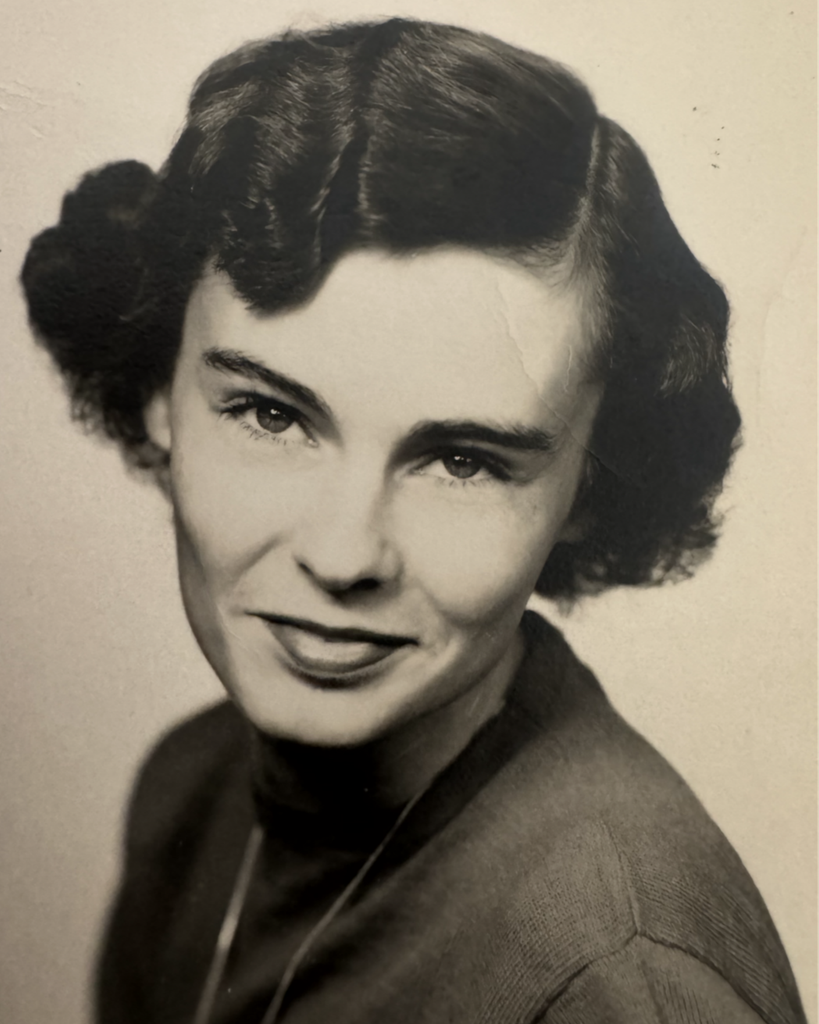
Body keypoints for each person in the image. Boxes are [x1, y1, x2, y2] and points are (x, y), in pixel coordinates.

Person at [19, 17, 807, 1024]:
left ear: (587, 488)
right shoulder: (189, 794)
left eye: (462, 460)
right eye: (272, 415)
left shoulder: (618, 983)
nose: (344, 554)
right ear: (156, 393)